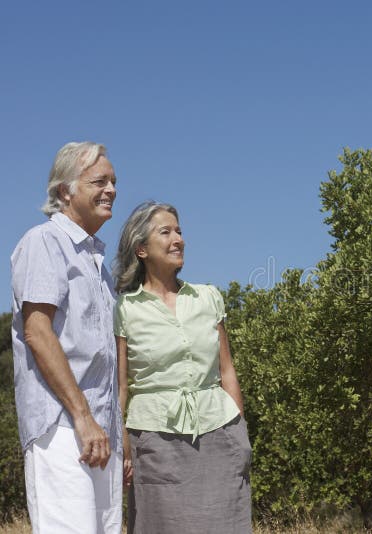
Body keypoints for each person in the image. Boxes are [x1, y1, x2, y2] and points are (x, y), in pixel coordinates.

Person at [113, 201, 251, 533]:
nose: (178, 239)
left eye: (179, 231)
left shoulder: (208, 297)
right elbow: (120, 386)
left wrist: (241, 431)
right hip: (155, 441)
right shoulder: (125, 309)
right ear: (142, 249)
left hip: (220, 432)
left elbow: (227, 370)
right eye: (166, 232)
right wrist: (123, 446)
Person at [11, 141, 123, 533]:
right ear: (65, 190)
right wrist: (82, 416)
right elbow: (37, 332)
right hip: (63, 425)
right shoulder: (44, 242)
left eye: (113, 181)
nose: (111, 189)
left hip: (100, 431)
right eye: (99, 181)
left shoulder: (98, 265)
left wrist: (115, 434)